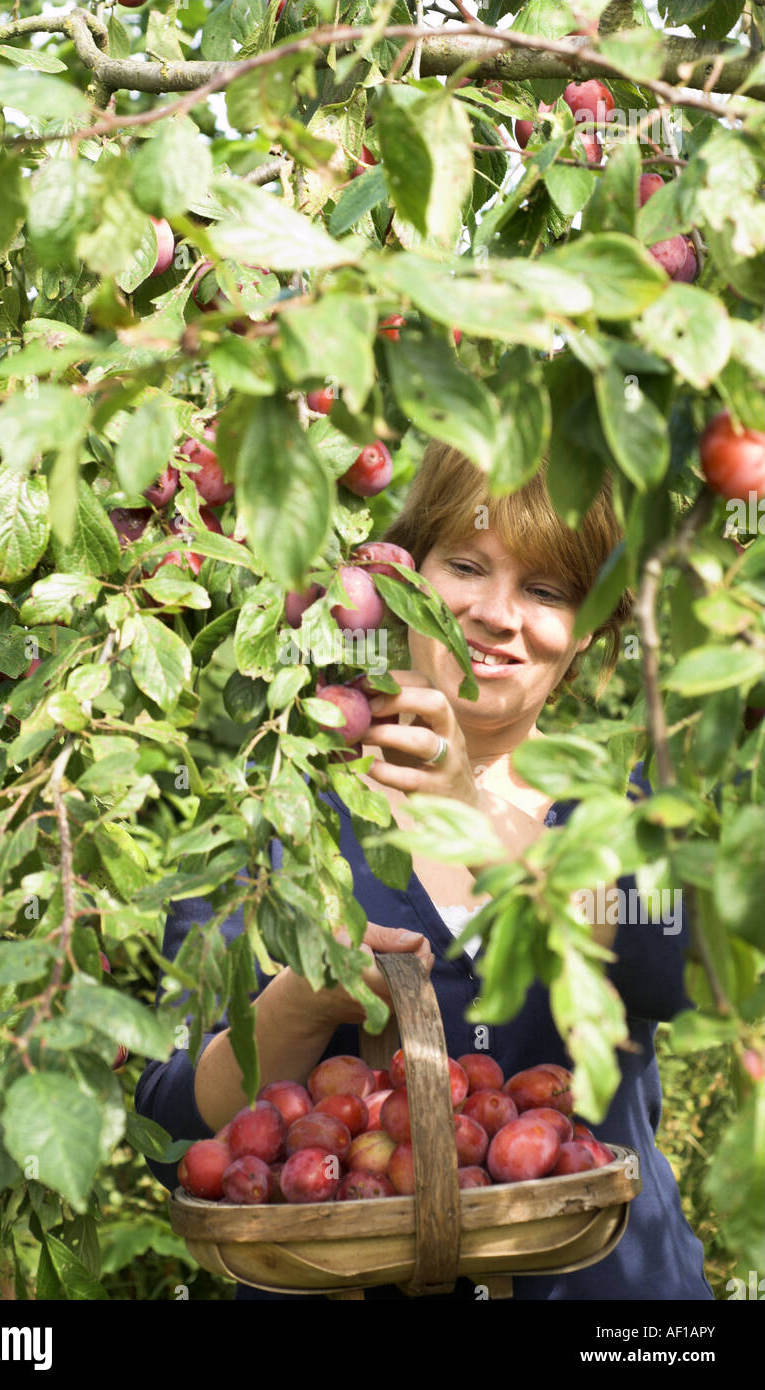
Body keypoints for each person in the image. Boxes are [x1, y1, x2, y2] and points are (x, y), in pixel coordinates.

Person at [135, 442, 714, 1302]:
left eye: (547, 590)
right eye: (468, 565)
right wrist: (304, 1000)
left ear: (589, 628)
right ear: (405, 573)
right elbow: (180, 1114)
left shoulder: (618, 814)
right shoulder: (272, 814)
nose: (496, 613)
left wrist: (475, 826)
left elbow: (669, 968)